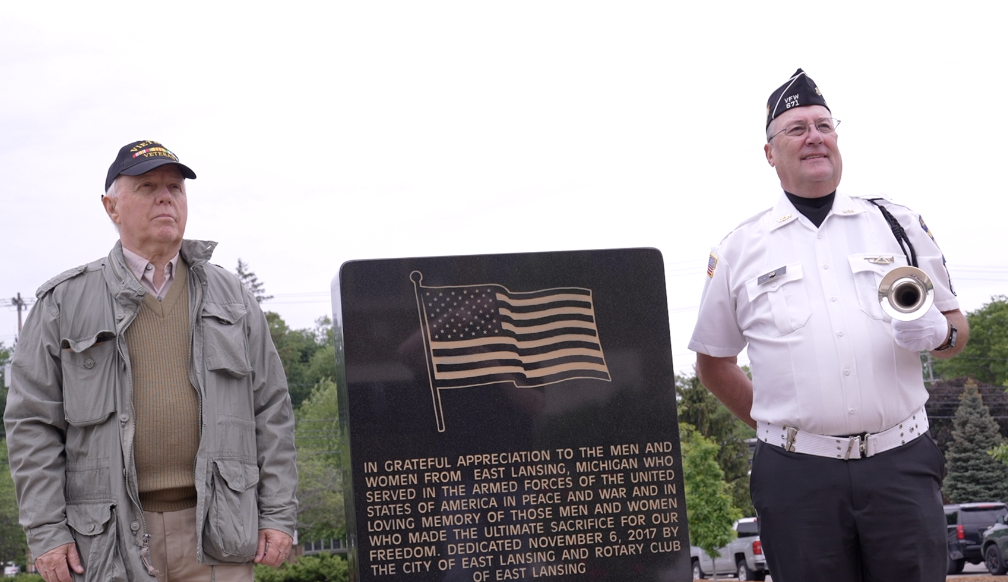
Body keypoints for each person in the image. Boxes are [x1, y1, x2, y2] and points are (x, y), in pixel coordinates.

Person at [688, 69, 969, 581]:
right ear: (770, 153)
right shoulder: (737, 249)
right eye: (797, 128)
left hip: (900, 463)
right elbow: (713, 362)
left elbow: (955, 329)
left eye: (824, 125)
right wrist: (783, 430)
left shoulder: (897, 223)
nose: (815, 136)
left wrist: (938, 334)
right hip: (797, 479)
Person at [4, 140, 298, 582]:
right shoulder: (62, 303)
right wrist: (47, 531)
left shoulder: (232, 297)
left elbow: (271, 410)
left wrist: (277, 513)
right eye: (147, 187)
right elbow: (32, 426)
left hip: (218, 533)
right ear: (111, 207)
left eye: (175, 188)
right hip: (106, 539)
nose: (166, 197)